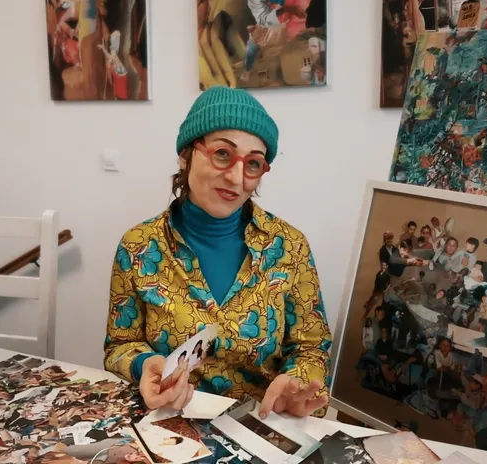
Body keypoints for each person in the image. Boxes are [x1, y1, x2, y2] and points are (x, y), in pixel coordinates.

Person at [105, 87, 331, 419]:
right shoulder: (139, 247)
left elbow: (312, 346)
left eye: (253, 163)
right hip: (170, 424)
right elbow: (118, 346)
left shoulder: (289, 248)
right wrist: (144, 364)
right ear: (186, 155)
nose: (236, 177)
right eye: (223, 154)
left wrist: (296, 385)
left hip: (263, 425)